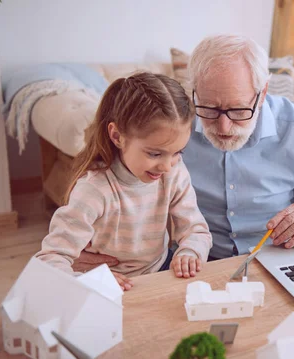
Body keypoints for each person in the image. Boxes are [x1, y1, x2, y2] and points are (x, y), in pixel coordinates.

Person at [73, 34, 294, 269]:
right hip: (191, 260)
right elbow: (101, 185)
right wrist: (86, 248)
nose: (224, 126)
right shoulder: (172, 128)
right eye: (210, 109)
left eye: (238, 111)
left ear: (262, 93)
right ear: (194, 92)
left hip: (275, 259)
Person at [35, 72, 212, 290]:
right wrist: (90, 280)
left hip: (161, 270)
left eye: (177, 152)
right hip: (108, 283)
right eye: (155, 154)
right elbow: (50, 259)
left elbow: (197, 230)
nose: (167, 166)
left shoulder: (174, 172)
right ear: (117, 137)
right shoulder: (94, 190)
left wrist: (190, 251)